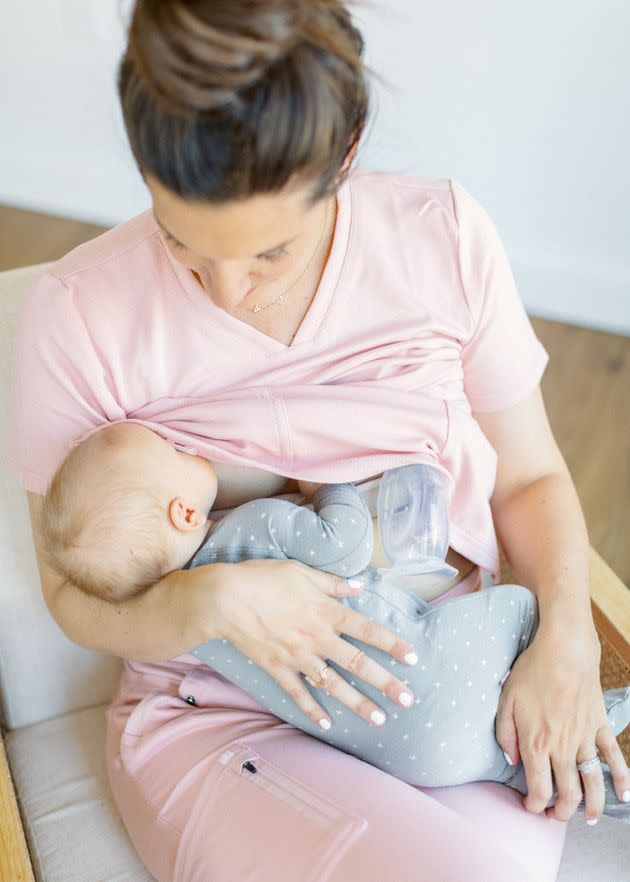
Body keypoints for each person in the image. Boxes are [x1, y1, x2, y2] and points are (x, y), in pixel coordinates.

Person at [8, 1, 630, 879]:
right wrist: (211, 605)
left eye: (268, 253)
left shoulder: (443, 240)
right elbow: (71, 594)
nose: (226, 292)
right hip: (222, 709)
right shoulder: (78, 317)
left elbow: (529, 479)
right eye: (183, 243)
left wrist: (563, 638)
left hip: (450, 678)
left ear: (346, 156)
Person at [37, 421, 630, 824]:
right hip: (435, 674)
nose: (187, 448)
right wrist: (327, 484)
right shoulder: (248, 531)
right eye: (174, 454)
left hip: (416, 757)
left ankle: (555, 767)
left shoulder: (197, 636)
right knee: (521, 607)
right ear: (184, 510)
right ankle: (587, 725)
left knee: (501, 751)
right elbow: (344, 545)